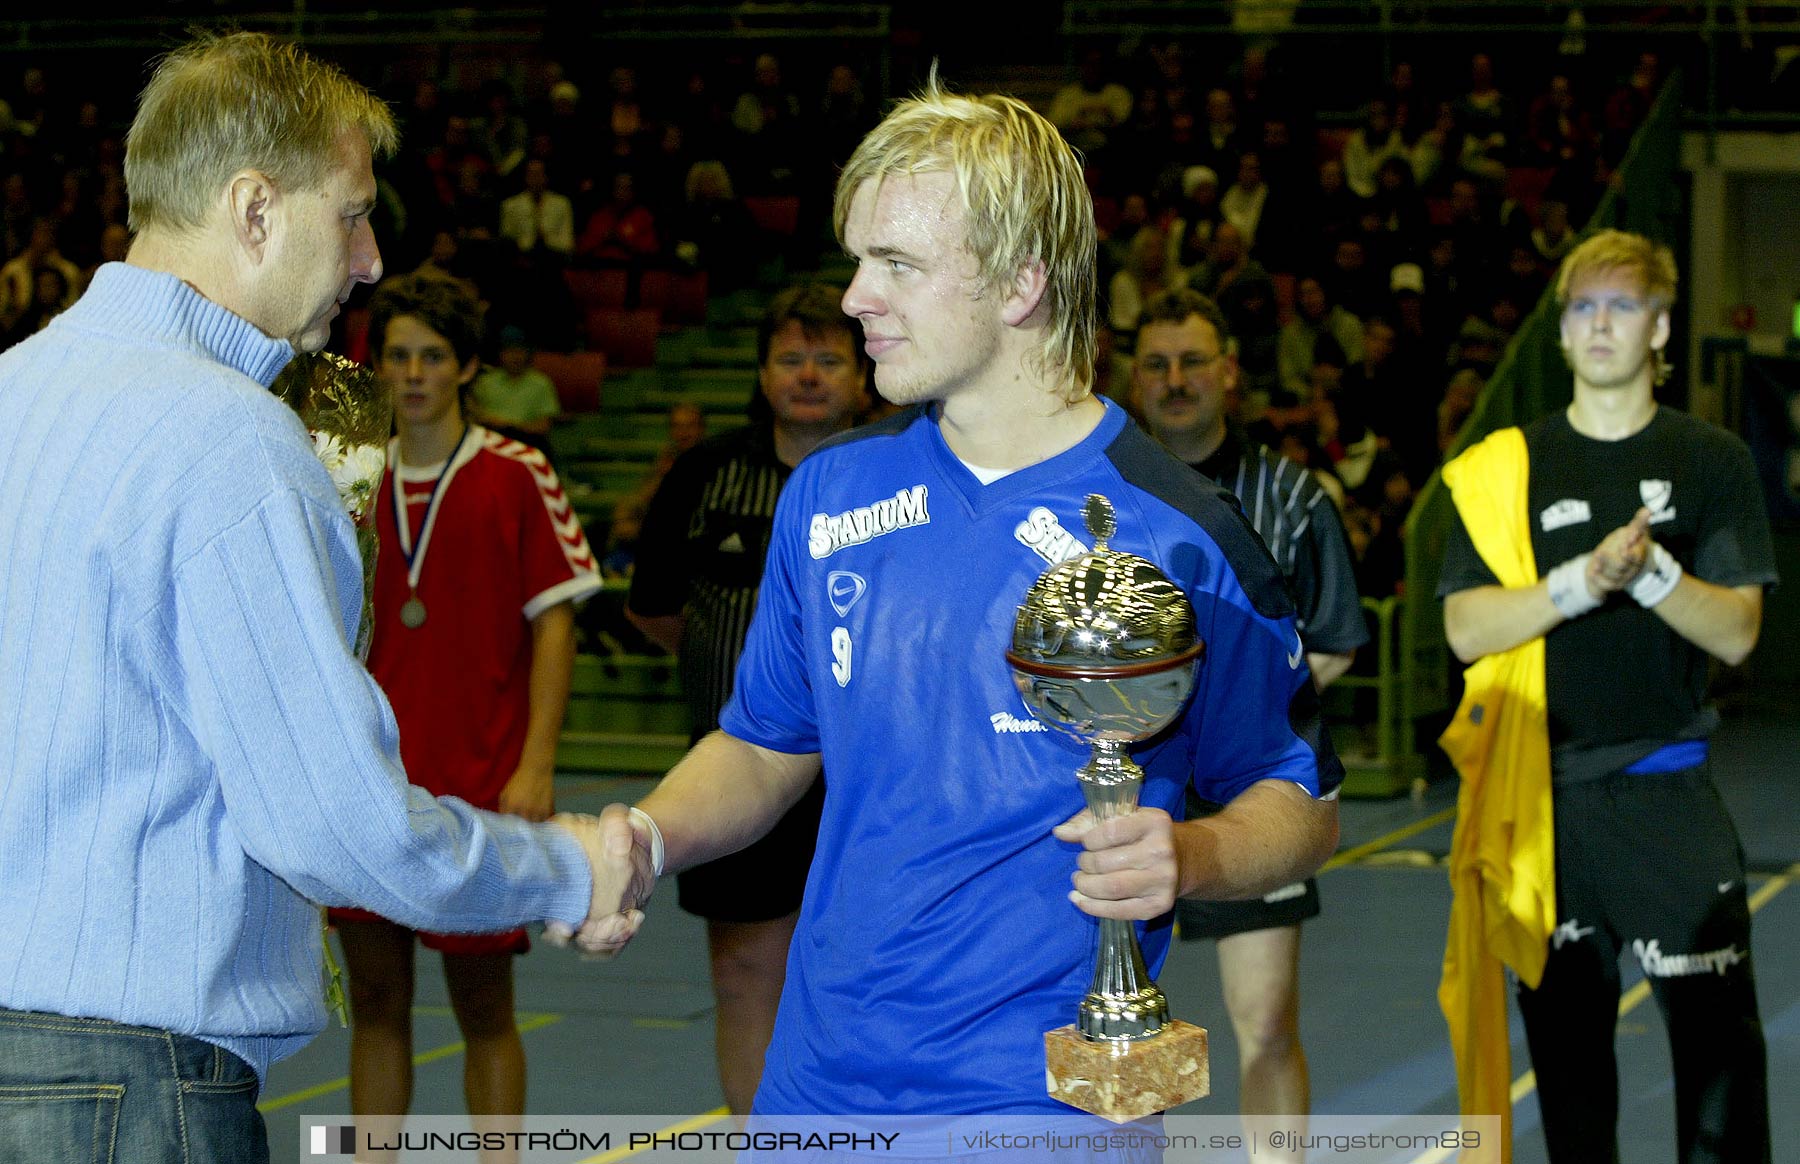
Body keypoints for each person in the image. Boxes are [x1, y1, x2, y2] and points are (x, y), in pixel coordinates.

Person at [571, 74, 1340, 1121]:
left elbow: (1299, 800)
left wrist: (1192, 854)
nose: (854, 298)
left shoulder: (1183, 535)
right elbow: (762, 746)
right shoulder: (831, 492)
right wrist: (649, 837)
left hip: (1049, 1102)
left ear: (1019, 283)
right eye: (857, 259)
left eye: (895, 263)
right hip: (816, 1086)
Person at [0, 33, 638, 1164]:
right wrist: (570, 867)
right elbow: (334, 824)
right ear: (255, 210)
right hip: (127, 1090)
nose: (372, 260)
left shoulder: (16, 392)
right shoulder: (230, 437)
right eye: (350, 215)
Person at [1437, 229, 1775, 1163]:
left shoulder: (1712, 461)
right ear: (1559, 331)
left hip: (1670, 801)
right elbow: (1466, 628)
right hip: (1545, 812)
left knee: (1721, 1082)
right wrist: (1586, 579)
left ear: (1661, 328)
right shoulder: (1509, 465)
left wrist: (1652, 574)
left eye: (1621, 305)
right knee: (1572, 1084)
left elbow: (1739, 631)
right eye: (1581, 306)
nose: (1598, 324)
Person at [330, 274, 603, 1163]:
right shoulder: (344, 476)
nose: (413, 374)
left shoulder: (517, 472)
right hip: (371, 783)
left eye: (433, 357)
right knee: (374, 1004)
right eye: (398, 355)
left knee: (484, 1008)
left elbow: (555, 622)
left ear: (468, 366)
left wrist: (536, 764)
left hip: (481, 780)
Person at [1132, 288, 1365, 1162]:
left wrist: (1222, 716)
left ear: (1229, 371)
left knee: (1264, 1024)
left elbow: (1335, 642)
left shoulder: (1291, 496)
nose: (1176, 380)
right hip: (1125, 794)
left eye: (1193, 361)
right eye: (1156, 364)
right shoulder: (1095, 488)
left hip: (1251, 794)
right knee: (1110, 1020)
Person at [626, 283, 868, 1113]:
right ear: (762, 374)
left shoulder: (898, 475)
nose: (808, 375)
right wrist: (739, 678)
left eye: (829, 358)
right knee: (742, 972)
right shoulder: (704, 473)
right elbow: (653, 606)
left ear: (863, 375)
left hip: (866, 779)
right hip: (737, 772)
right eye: (791, 358)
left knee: (862, 976)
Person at [471, 323, 562, 446]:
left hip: (528, 441)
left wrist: (512, 427)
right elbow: (474, 417)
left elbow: (544, 426)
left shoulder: (541, 383)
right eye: (509, 351)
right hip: (491, 441)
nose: (515, 356)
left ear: (528, 353)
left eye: (519, 351)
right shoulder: (485, 382)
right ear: (501, 354)